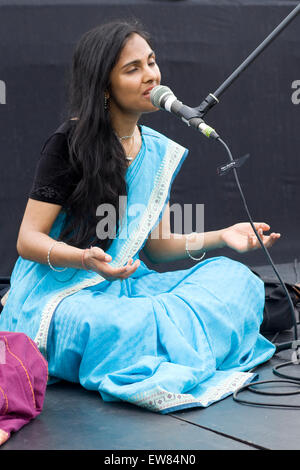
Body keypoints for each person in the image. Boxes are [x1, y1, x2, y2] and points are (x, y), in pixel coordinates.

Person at [0, 21, 281, 413]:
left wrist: (224, 236)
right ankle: (166, 345)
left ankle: (160, 345)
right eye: (133, 69)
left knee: (237, 280)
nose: (151, 75)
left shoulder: (155, 151)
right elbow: (27, 240)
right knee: (117, 327)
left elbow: (159, 249)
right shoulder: (68, 145)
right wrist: (84, 259)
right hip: (61, 294)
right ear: (104, 85)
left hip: (125, 286)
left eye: (151, 62)